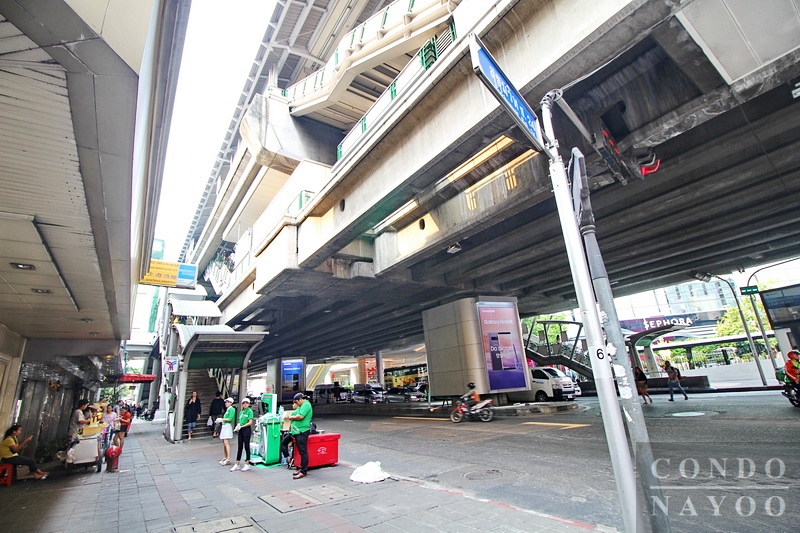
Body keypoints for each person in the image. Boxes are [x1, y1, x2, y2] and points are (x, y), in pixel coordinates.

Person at [287, 392, 313, 479]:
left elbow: (300, 416)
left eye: (297, 402)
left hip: (302, 431)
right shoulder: (302, 405)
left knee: (303, 451)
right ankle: (302, 469)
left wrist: (292, 417)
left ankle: (303, 471)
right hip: (298, 431)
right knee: (301, 451)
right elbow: (296, 413)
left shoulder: (306, 405)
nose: (296, 404)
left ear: (300, 399)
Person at [230, 398, 254, 472]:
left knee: (246, 446)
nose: (245, 404)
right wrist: (238, 426)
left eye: (246, 403)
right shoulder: (241, 412)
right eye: (244, 403)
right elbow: (240, 421)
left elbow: (250, 422)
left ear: (249, 404)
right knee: (240, 446)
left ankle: (247, 463)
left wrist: (242, 426)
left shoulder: (250, 411)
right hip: (240, 430)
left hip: (246, 429)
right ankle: (237, 463)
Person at [279, 398, 300, 467]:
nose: (293, 405)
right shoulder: (300, 412)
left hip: (293, 433)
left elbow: (291, 424)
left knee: (283, 443)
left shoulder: (294, 412)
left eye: (294, 403)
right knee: (295, 446)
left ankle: (288, 458)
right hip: (299, 432)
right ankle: (292, 459)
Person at [216, 397, 236, 466]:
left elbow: (230, 419)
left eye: (228, 402)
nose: (226, 403)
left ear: (231, 403)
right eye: (226, 402)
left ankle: (228, 458)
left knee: (226, 442)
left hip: (227, 426)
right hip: (224, 426)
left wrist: (222, 419)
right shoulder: (228, 409)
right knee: (224, 442)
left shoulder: (232, 409)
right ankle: (225, 457)